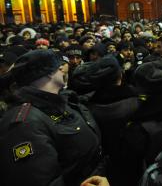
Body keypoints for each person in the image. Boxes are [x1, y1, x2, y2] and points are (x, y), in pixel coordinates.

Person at [0, 49, 104, 186]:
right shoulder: (25, 124)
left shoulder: (60, 102)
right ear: (48, 73)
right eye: (57, 65)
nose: (62, 67)